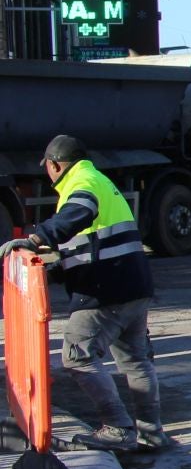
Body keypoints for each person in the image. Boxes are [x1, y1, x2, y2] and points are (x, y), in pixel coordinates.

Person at [0, 135, 165, 451]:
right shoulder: (100, 180)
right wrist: (56, 271)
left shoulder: (82, 183)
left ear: (55, 164)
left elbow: (82, 211)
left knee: (77, 357)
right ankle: (151, 432)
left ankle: (117, 427)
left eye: (47, 167)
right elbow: (93, 244)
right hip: (134, 286)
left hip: (106, 291)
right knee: (135, 360)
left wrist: (36, 240)